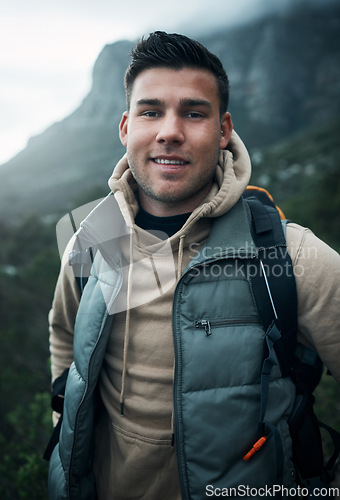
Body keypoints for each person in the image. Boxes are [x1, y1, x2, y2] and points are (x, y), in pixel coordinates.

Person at [47, 31, 340, 499]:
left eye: (193, 112)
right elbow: (65, 338)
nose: (169, 131)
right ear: (125, 127)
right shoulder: (90, 238)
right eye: (150, 111)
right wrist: (64, 425)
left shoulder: (290, 255)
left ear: (223, 130)